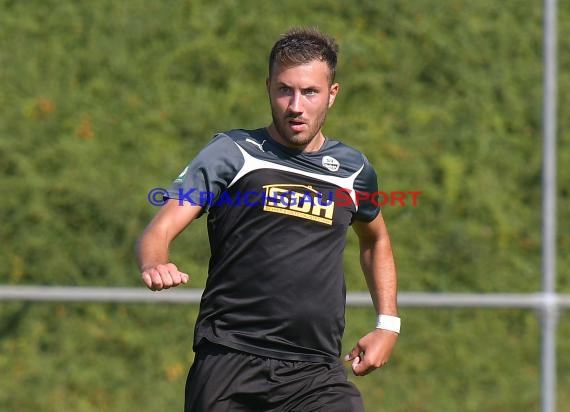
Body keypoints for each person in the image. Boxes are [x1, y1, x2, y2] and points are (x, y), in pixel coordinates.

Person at [136, 27, 399, 412]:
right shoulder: (232, 153)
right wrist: (155, 262)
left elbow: (376, 241)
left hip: (316, 371)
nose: (296, 105)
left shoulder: (353, 170)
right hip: (230, 360)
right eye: (284, 90)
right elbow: (159, 229)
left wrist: (387, 325)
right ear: (268, 88)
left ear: (332, 94)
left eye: (309, 92)